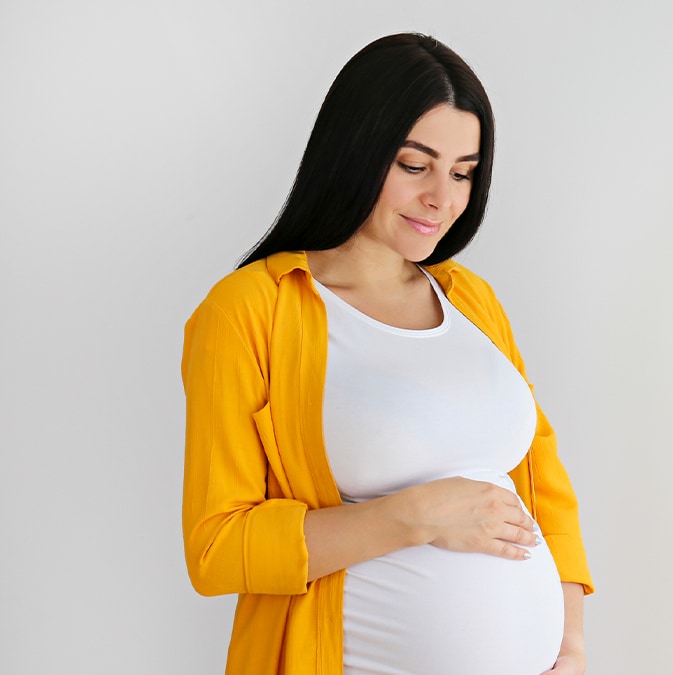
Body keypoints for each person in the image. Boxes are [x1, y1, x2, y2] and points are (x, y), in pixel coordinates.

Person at [181, 33, 592, 675]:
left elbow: (543, 483)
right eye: (413, 164)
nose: (443, 198)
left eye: (462, 172)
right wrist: (414, 517)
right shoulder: (251, 310)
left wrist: (568, 646)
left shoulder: (471, 300)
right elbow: (217, 549)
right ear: (356, 151)